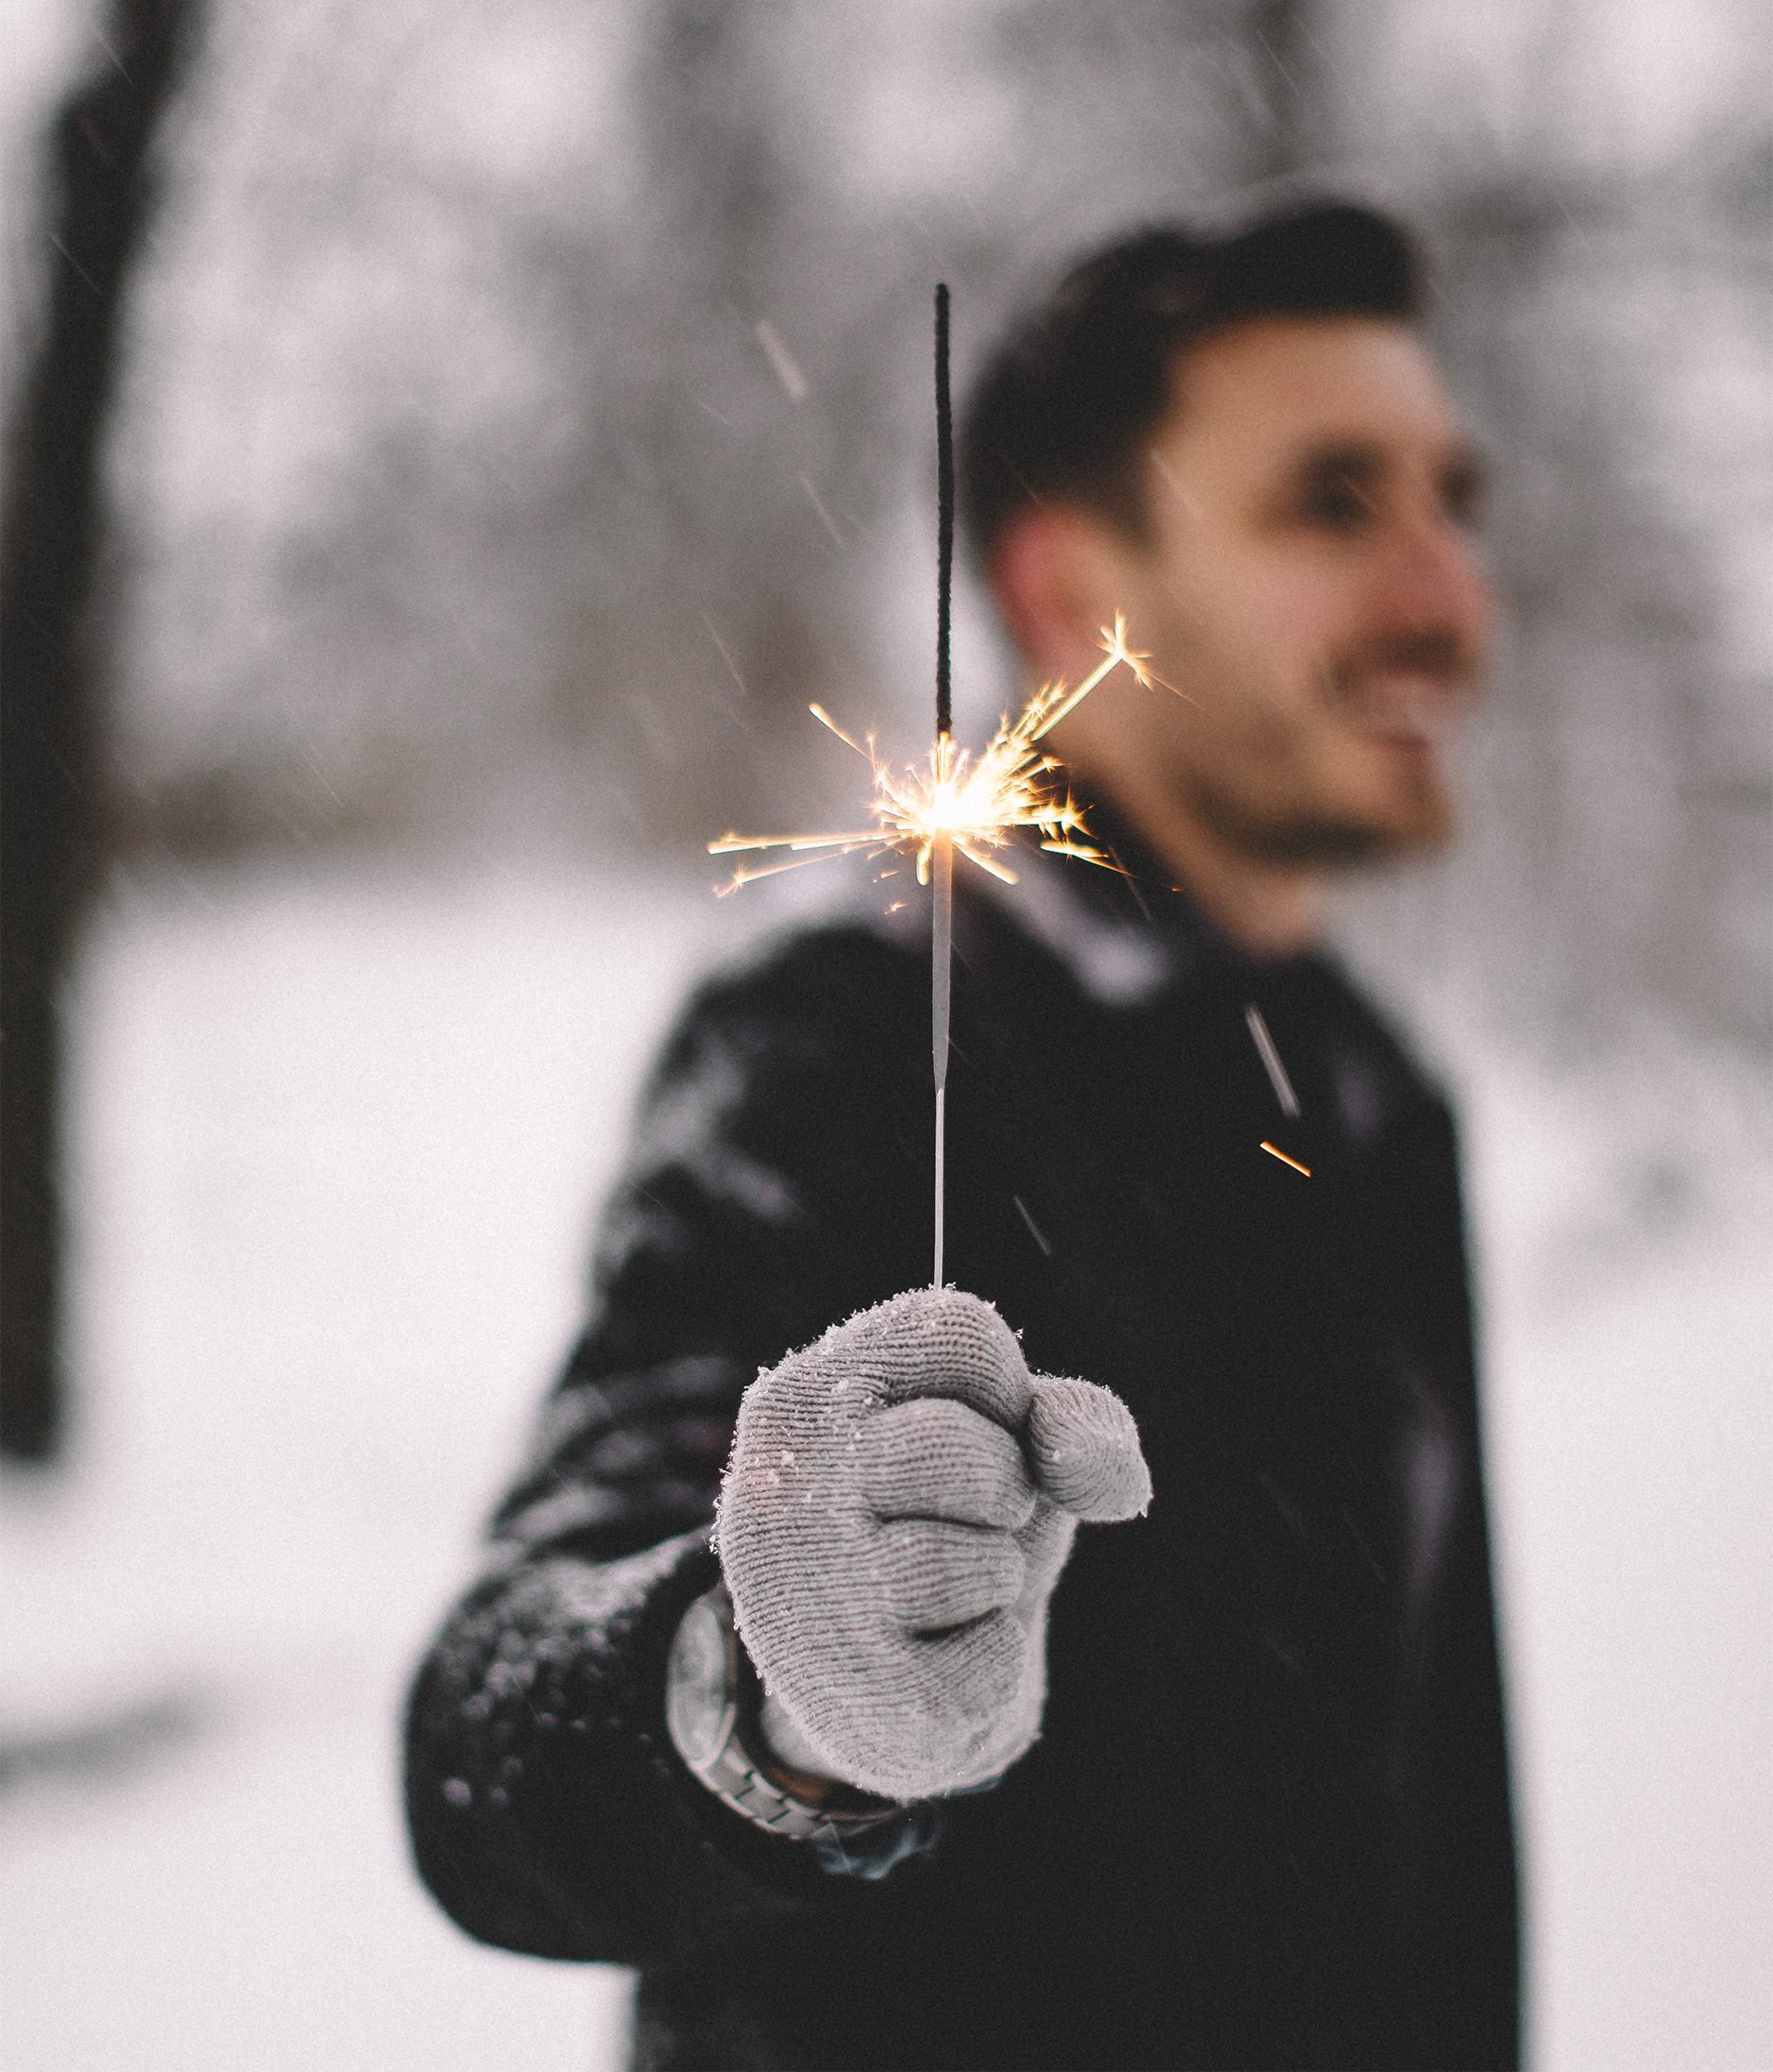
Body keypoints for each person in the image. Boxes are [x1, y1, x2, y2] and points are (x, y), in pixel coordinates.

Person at [405, 197, 1520, 2072]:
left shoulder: (1377, 1088)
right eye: (1335, 504)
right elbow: (481, 1750)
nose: (1446, 597)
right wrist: (766, 1692)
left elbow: (1427, 1817)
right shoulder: (849, 1033)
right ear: (1079, 599)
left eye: (1449, 501)